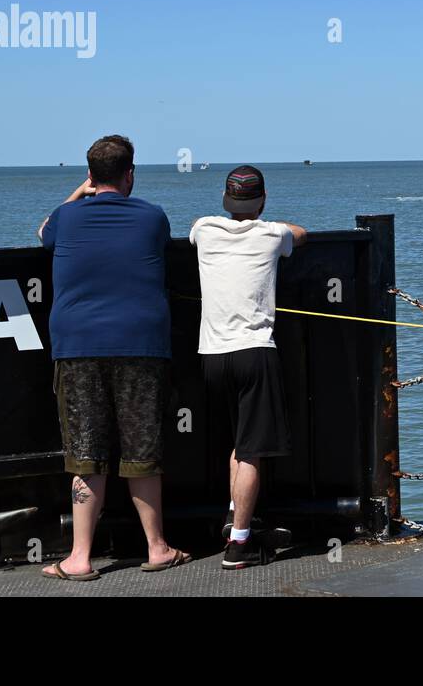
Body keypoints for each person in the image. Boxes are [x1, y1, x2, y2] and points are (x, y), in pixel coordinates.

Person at [37, 135, 190, 580]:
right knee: (142, 450)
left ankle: (80, 558)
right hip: (142, 344)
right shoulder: (151, 217)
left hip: (79, 345)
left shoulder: (67, 217)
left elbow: (42, 232)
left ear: (91, 175)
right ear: (130, 174)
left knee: (86, 453)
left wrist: (77, 193)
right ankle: (157, 547)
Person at [190, 166, 307, 570]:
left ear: (226, 199)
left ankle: (232, 516)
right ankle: (239, 544)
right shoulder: (272, 235)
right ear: (263, 199)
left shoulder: (204, 230)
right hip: (255, 351)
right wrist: (270, 220)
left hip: (212, 355)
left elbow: (195, 228)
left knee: (239, 445)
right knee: (253, 452)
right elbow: (301, 233)